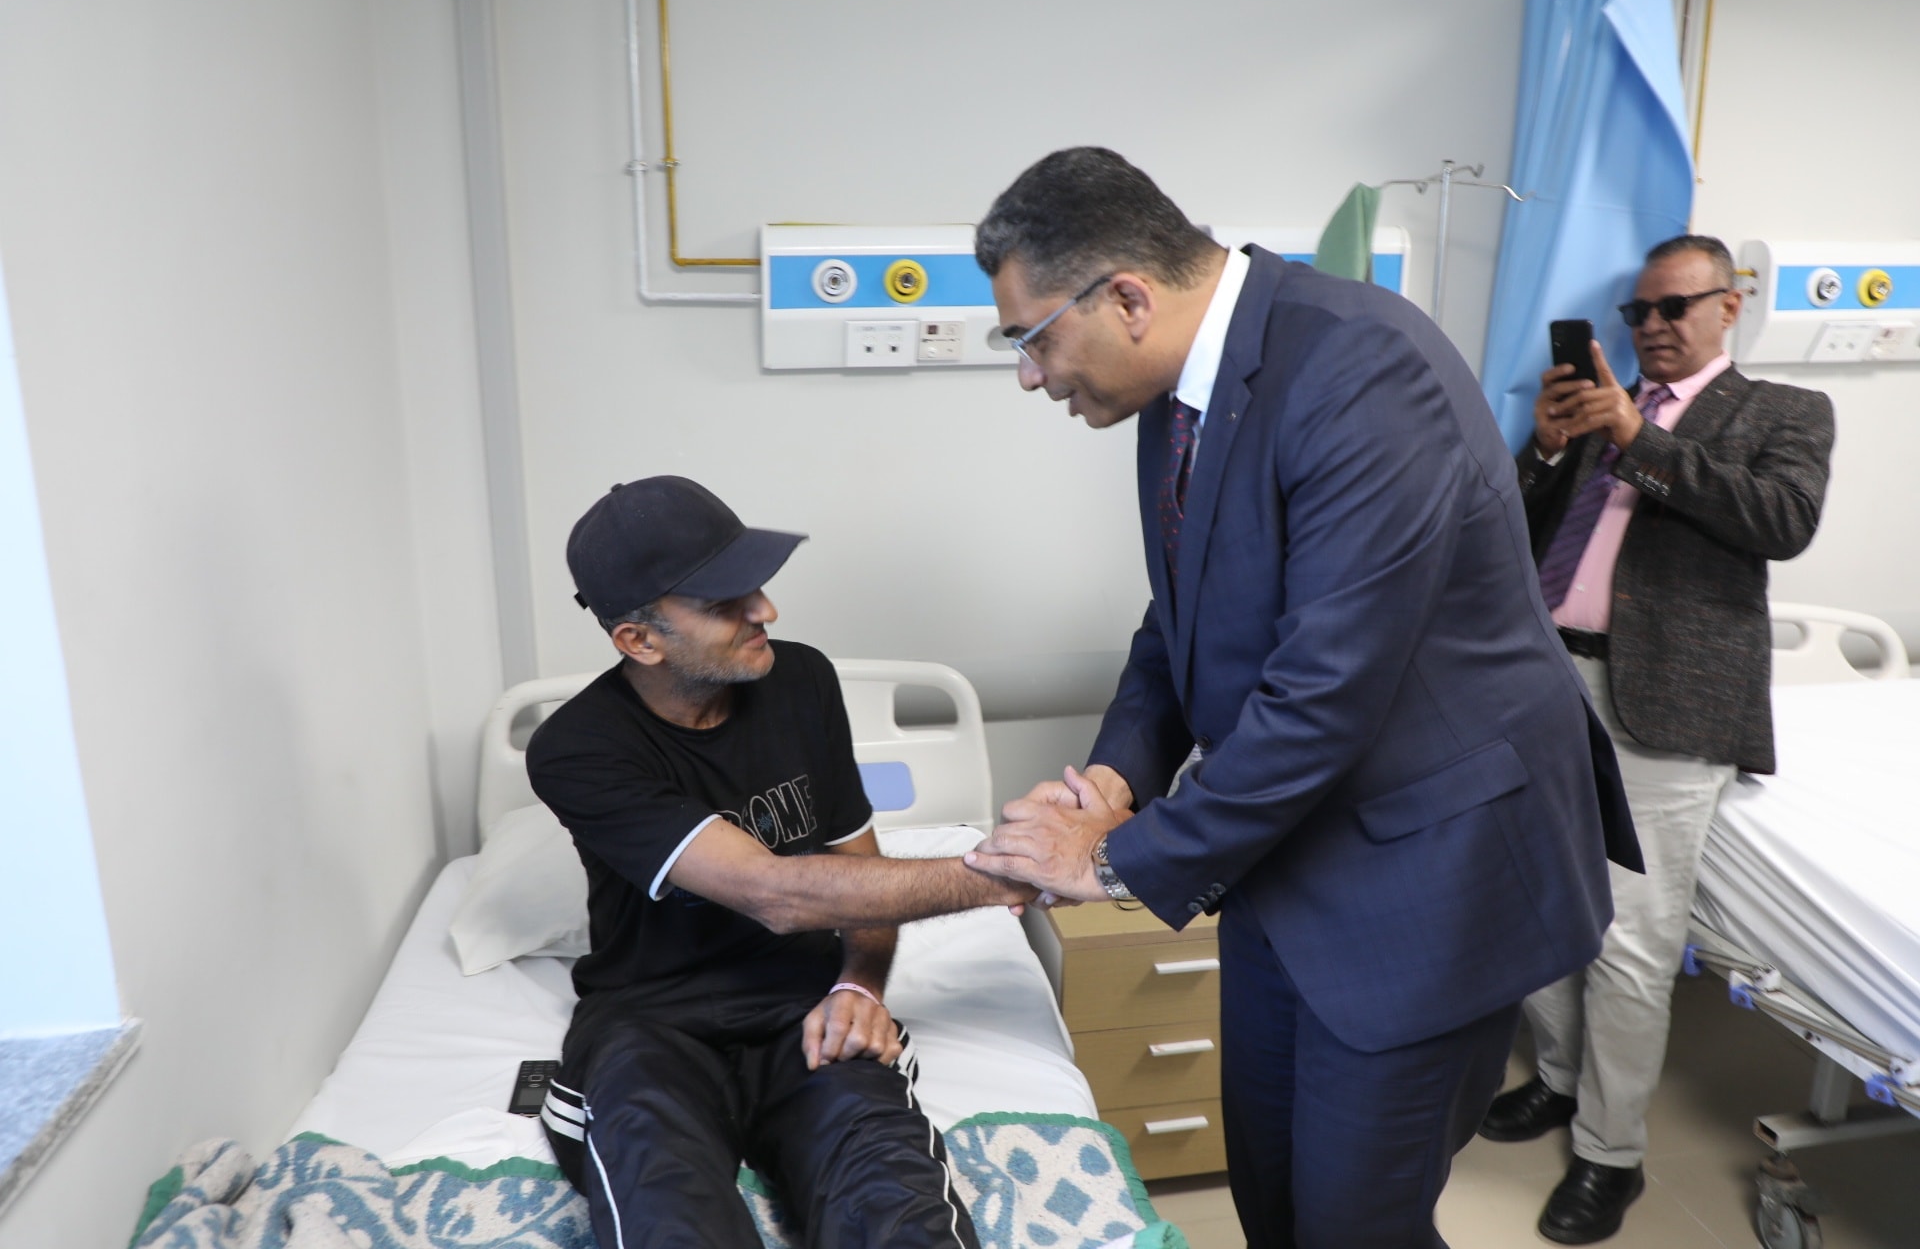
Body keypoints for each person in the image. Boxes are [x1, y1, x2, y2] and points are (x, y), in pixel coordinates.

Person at [959, 146, 1642, 1249]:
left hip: (1428, 877)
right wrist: (1113, 780)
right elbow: (1177, 620)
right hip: (1289, 864)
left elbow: (1327, 688)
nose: (1030, 376)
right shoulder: (1180, 397)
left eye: (1030, 338)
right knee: (1273, 1201)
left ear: (1127, 298)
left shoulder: (1362, 369)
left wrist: (1115, 859)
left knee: (1355, 1225)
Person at [526, 476, 1034, 1249]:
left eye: (756, 585)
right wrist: (1006, 874)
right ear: (639, 640)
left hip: (807, 1011)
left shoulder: (800, 680)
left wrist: (859, 982)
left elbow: (857, 867)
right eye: (725, 602)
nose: (765, 609)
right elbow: (775, 894)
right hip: (652, 1024)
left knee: (897, 1208)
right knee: (670, 1217)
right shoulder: (577, 748)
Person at [1478, 234, 1834, 1244]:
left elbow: (1781, 518)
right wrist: (1549, 449)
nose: (1654, 326)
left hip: (1669, 704)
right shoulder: (1600, 407)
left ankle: (1611, 1151)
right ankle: (1558, 1079)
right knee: (1534, 903)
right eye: (1640, 312)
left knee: (1629, 940)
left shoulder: (1783, 411)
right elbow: (1511, 532)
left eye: (1676, 307)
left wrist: (1639, 436)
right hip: (1549, 680)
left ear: (1730, 305)